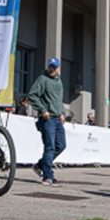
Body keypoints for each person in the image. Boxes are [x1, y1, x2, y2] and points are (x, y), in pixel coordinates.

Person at [28, 57, 66, 186]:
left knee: (61, 145)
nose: (52, 69)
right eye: (50, 66)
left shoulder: (59, 81)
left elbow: (58, 99)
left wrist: (62, 112)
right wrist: (43, 110)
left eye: (54, 67)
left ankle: (39, 165)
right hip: (48, 119)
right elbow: (32, 96)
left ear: (58, 68)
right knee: (49, 147)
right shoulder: (42, 79)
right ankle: (47, 176)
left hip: (58, 118)